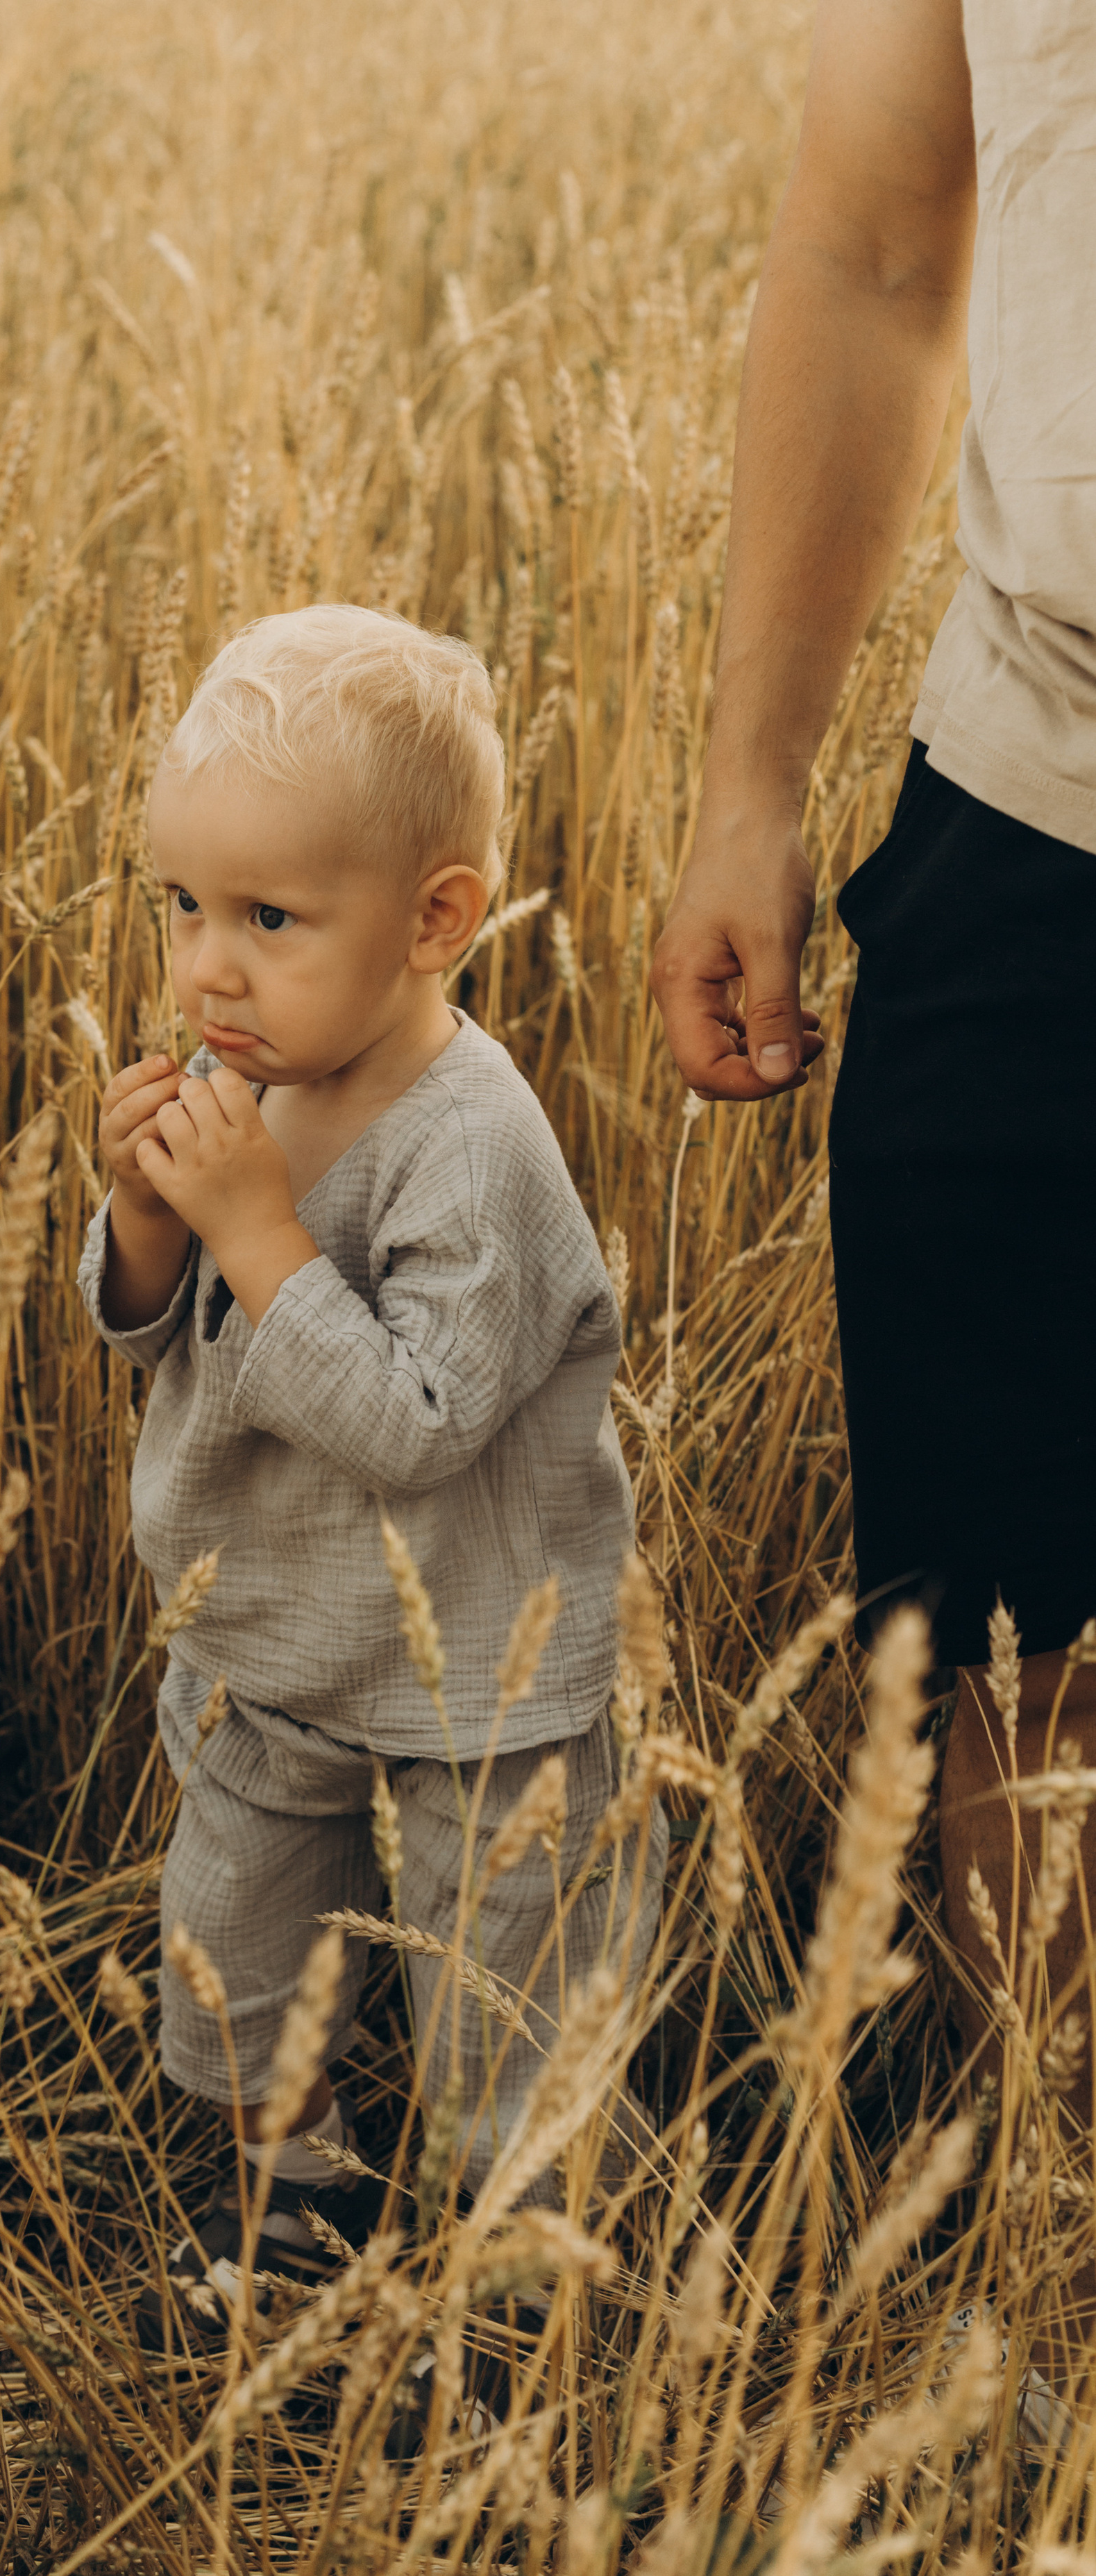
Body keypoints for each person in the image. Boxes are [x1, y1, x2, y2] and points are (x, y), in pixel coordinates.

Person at [77, 605, 666, 2428]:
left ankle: (532, 2304)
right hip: (271, 1649)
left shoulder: (472, 1148)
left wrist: (256, 1236)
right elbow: (155, 1332)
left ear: (437, 918)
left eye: (268, 918)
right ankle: (302, 2214)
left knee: (512, 2005)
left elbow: (418, 1423)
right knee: (238, 1956)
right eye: (180, 905)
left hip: (481, 1681)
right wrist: (162, 1232)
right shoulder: (246, 1090)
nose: (207, 970)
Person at [650, 0, 1096, 2398]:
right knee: (1027, 1643)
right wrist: (754, 776)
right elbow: (874, 230)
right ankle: (1043, 2328)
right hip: (1039, 808)